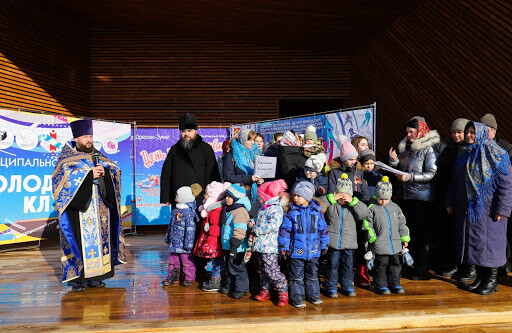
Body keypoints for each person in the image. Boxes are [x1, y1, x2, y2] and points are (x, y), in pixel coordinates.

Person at [52, 119, 126, 292]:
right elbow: (59, 181)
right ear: (76, 138)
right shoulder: (67, 159)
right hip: (79, 210)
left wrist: (105, 173)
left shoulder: (98, 156)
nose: (89, 140)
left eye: (90, 136)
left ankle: (97, 277)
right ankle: (79, 280)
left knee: (101, 244)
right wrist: (87, 176)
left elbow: (115, 170)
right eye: (85, 137)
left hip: (100, 211)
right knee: (79, 242)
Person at [446, 121, 512, 295]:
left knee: (490, 245)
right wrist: (450, 201)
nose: (469, 135)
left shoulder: (497, 154)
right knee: (476, 245)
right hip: (468, 209)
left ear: (482, 133)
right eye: (467, 132)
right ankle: (481, 278)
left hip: (490, 210)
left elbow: (506, 185)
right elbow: (454, 183)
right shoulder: (464, 154)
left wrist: (503, 209)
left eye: (472, 132)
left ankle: (491, 281)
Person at [388, 117, 439, 280]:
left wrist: (410, 177)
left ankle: (422, 268)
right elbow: (401, 172)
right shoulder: (406, 148)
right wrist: (394, 162)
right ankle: (412, 265)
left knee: (421, 235)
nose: (409, 135)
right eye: (407, 132)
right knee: (409, 234)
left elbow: (432, 174)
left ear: (420, 132)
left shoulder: (428, 149)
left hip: (421, 199)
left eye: (412, 132)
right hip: (406, 197)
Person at [433, 118, 474, 280]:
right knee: (448, 233)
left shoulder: (468, 150)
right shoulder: (448, 149)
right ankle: (452, 263)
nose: (457, 135)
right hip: (446, 195)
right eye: (454, 132)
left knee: (461, 234)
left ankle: (464, 266)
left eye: (460, 132)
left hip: (461, 196)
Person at [327, 134, 371, 287]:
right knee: (341, 249)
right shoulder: (334, 172)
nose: (354, 161)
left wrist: (360, 203)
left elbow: (364, 191)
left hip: (357, 210)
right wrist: (340, 199)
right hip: (342, 213)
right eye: (351, 159)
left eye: (355, 159)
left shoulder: (358, 172)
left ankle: (359, 273)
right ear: (344, 158)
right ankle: (338, 278)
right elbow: (331, 191)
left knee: (359, 244)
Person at [279, 181, 329, 308]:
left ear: (307, 197)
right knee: (296, 275)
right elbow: (285, 231)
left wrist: (324, 244)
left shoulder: (317, 212)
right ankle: (297, 296)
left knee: (312, 274)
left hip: (313, 250)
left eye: (298, 196)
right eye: (294, 195)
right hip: (296, 250)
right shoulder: (291, 213)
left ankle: (313, 294)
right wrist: (284, 247)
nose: (295, 198)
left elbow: (323, 230)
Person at [160, 112, 221, 209]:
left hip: (200, 198)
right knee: (178, 224)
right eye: (183, 131)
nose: (186, 134)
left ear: (196, 131)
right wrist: (165, 197)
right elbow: (166, 173)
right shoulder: (174, 150)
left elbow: (213, 174)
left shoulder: (206, 149)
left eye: (189, 130)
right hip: (179, 199)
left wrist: (214, 194)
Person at [324, 174, 370, 298]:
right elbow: (320, 207)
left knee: (348, 266)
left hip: (349, 243)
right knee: (332, 266)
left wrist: (353, 201)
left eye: (347, 194)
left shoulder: (353, 206)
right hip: (333, 243)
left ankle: (347, 286)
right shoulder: (332, 205)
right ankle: (331, 286)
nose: (343, 197)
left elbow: (364, 213)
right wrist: (332, 197)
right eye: (341, 194)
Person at [364, 176, 410, 295]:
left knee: (395, 265)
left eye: (386, 199)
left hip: (394, 244)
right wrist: (372, 237)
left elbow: (402, 223)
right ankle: (380, 285)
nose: (383, 201)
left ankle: (395, 284)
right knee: (381, 266)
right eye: (380, 199)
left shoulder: (395, 208)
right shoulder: (372, 208)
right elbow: (367, 225)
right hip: (380, 245)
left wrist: (404, 237)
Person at [479, 113, 512, 275]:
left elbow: (506, 179)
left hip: (497, 198)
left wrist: (504, 206)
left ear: (494, 130)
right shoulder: (478, 148)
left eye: (488, 129)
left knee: (498, 238)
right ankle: (484, 275)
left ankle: (501, 268)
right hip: (483, 201)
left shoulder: (504, 149)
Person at [251, 179, 289, 307]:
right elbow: (260, 221)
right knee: (263, 270)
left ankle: (282, 291)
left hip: (270, 246)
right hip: (261, 245)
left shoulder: (276, 209)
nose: (259, 199)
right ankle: (265, 290)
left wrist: (256, 229)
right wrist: (253, 222)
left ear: (267, 197)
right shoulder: (264, 208)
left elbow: (273, 225)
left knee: (271, 269)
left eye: (260, 196)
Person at [195, 181, 231, 291]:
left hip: (214, 242)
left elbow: (215, 227)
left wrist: (210, 242)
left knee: (216, 261)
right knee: (216, 261)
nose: (204, 196)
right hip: (212, 239)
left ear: (212, 195)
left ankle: (216, 281)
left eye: (206, 194)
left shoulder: (214, 210)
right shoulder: (210, 208)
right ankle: (218, 278)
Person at [163, 185, 200, 286]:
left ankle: (189, 278)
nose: (176, 196)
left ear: (184, 198)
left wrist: (188, 244)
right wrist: (168, 237)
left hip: (184, 245)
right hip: (175, 243)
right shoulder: (175, 210)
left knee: (187, 261)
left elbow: (190, 230)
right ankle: (173, 277)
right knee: (173, 261)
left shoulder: (189, 213)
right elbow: (171, 226)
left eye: (178, 195)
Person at [220, 184, 252, 299]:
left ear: (236, 198)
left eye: (229, 197)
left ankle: (241, 288)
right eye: (226, 196)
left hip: (237, 247)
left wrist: (235, 245)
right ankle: (230, 285)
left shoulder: (239, 211)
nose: (226, 199)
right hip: (229, 246)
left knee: (238, 267)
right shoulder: (230, 210)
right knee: (229, 266)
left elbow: (240, 229)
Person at [222, 128, 263, 218]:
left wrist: (261, 180)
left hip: (255, 195)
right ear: (243, 139)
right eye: (249, 140)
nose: (253, 142)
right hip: (240, 196)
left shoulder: (255, 153)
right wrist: (250, 178)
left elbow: (260, 172)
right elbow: (228, 177)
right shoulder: (231, 154)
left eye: (253, 140)